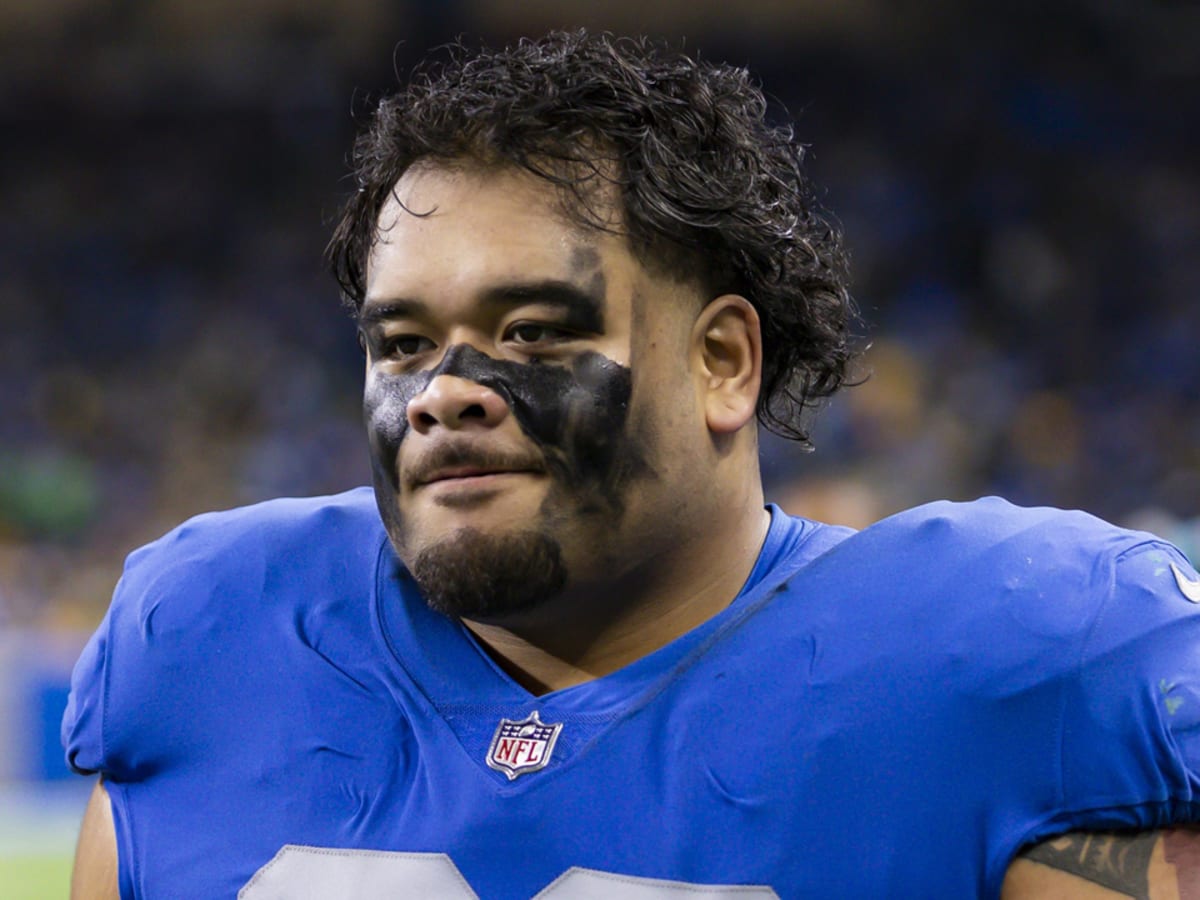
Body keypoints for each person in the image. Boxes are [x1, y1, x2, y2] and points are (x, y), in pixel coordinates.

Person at [63, 29, 1200, 899]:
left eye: (535, 332)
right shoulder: (211, 634)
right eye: (401, 344)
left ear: (722, 363)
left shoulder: (1019, 662)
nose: (445, 390)